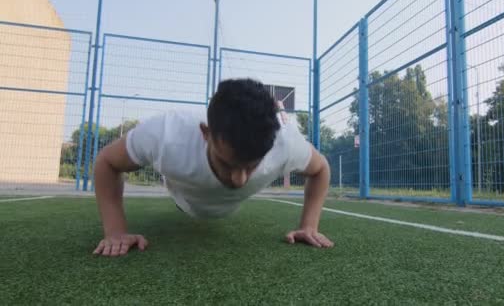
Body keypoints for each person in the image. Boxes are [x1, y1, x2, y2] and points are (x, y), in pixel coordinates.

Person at [92, 78, 334, 257]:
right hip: (182, 198)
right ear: (205, 134)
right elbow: (107, 162)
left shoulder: (286, 142)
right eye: (227, 163)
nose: (239, 180)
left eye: (251, 166)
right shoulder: (165, 134)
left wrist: (309, 226)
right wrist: (115, 231)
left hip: (229, 207)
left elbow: (321, 169)